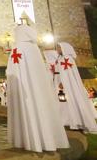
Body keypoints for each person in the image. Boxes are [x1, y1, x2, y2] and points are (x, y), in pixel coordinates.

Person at [6, 24, 69, 152]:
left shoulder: (17, 48)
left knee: (27, 111)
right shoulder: (34, 49)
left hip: (23, 89)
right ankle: (48, 140)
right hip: (37, 89)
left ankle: (27, 140)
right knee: (40, 108)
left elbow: (11, 71)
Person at [54, 42, 97, 132]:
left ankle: (78, 121)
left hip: (69, 84)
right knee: (65, 102)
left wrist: (63, 82)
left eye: (59, 48)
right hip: (63, 83)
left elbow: (68, 73)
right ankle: (69, 121)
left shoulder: (67, 58)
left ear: (64, 48)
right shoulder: (61, 58)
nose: (57, 49)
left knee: (72, 100)